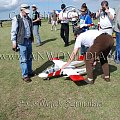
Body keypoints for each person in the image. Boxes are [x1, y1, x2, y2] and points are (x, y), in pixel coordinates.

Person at [11, 4, 34, 82]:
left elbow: (30, 29)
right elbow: (13, 31)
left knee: (30, 57)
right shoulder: (16, 18)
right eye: (26, 12)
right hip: (21, 41)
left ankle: (30, 72)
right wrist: (14, 42)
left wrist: (31, 38)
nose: (27, 14)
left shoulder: (29, 19)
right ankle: (25, 75)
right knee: (23, 59)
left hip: (29, 40)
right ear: (21, 10)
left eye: (28, 12)